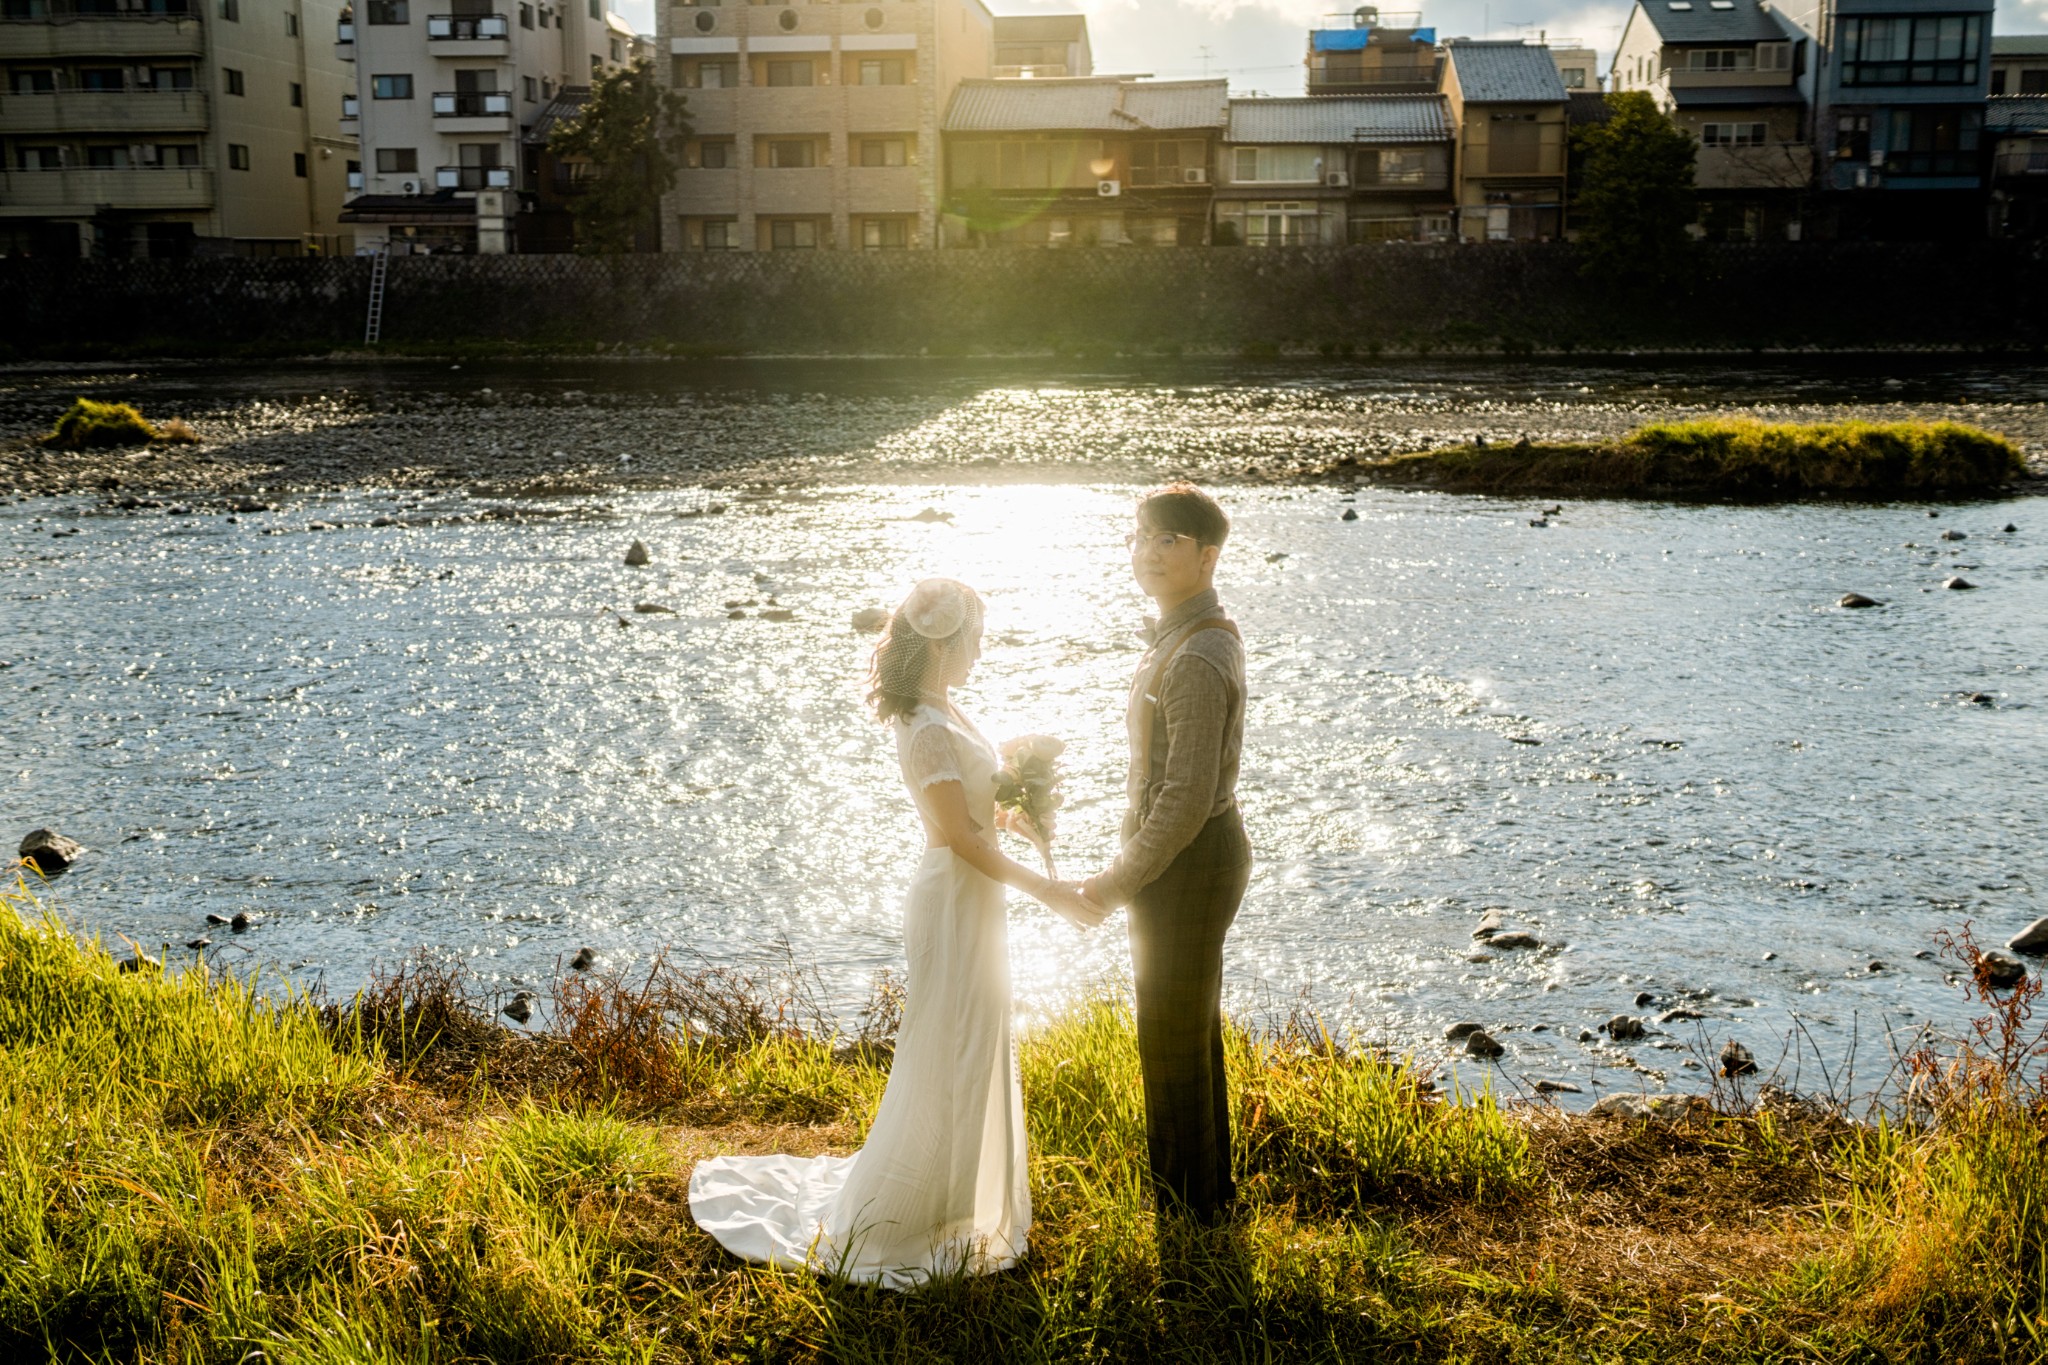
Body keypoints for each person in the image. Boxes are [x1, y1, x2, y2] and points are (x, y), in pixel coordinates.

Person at [688, 578, 1099, 1289]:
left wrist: (1013, 817)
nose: (980, 649)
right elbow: (957, 838)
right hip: (953, 895)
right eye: (975, 636)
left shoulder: (945, 706)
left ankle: (961, 1197)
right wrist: (1051, 891)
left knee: (976, 1032)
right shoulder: (928, 724)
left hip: (974, 893)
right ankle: (914, 1209)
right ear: (945, 640)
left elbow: (972, 817)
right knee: (952, 1036)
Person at [1078, 484, 1250, 1226]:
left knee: (1170, 1034)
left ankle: (1186, 1212)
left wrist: (1114, 881)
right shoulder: (1184, 633)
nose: (1147, 551)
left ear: (1207, 556)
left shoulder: (1196, 654)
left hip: (1191, 858)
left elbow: (1183, 799)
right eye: (1141, 535)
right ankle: (1206, 1199)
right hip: (1186, 854)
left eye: (1167, 539)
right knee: (1186, 1024)